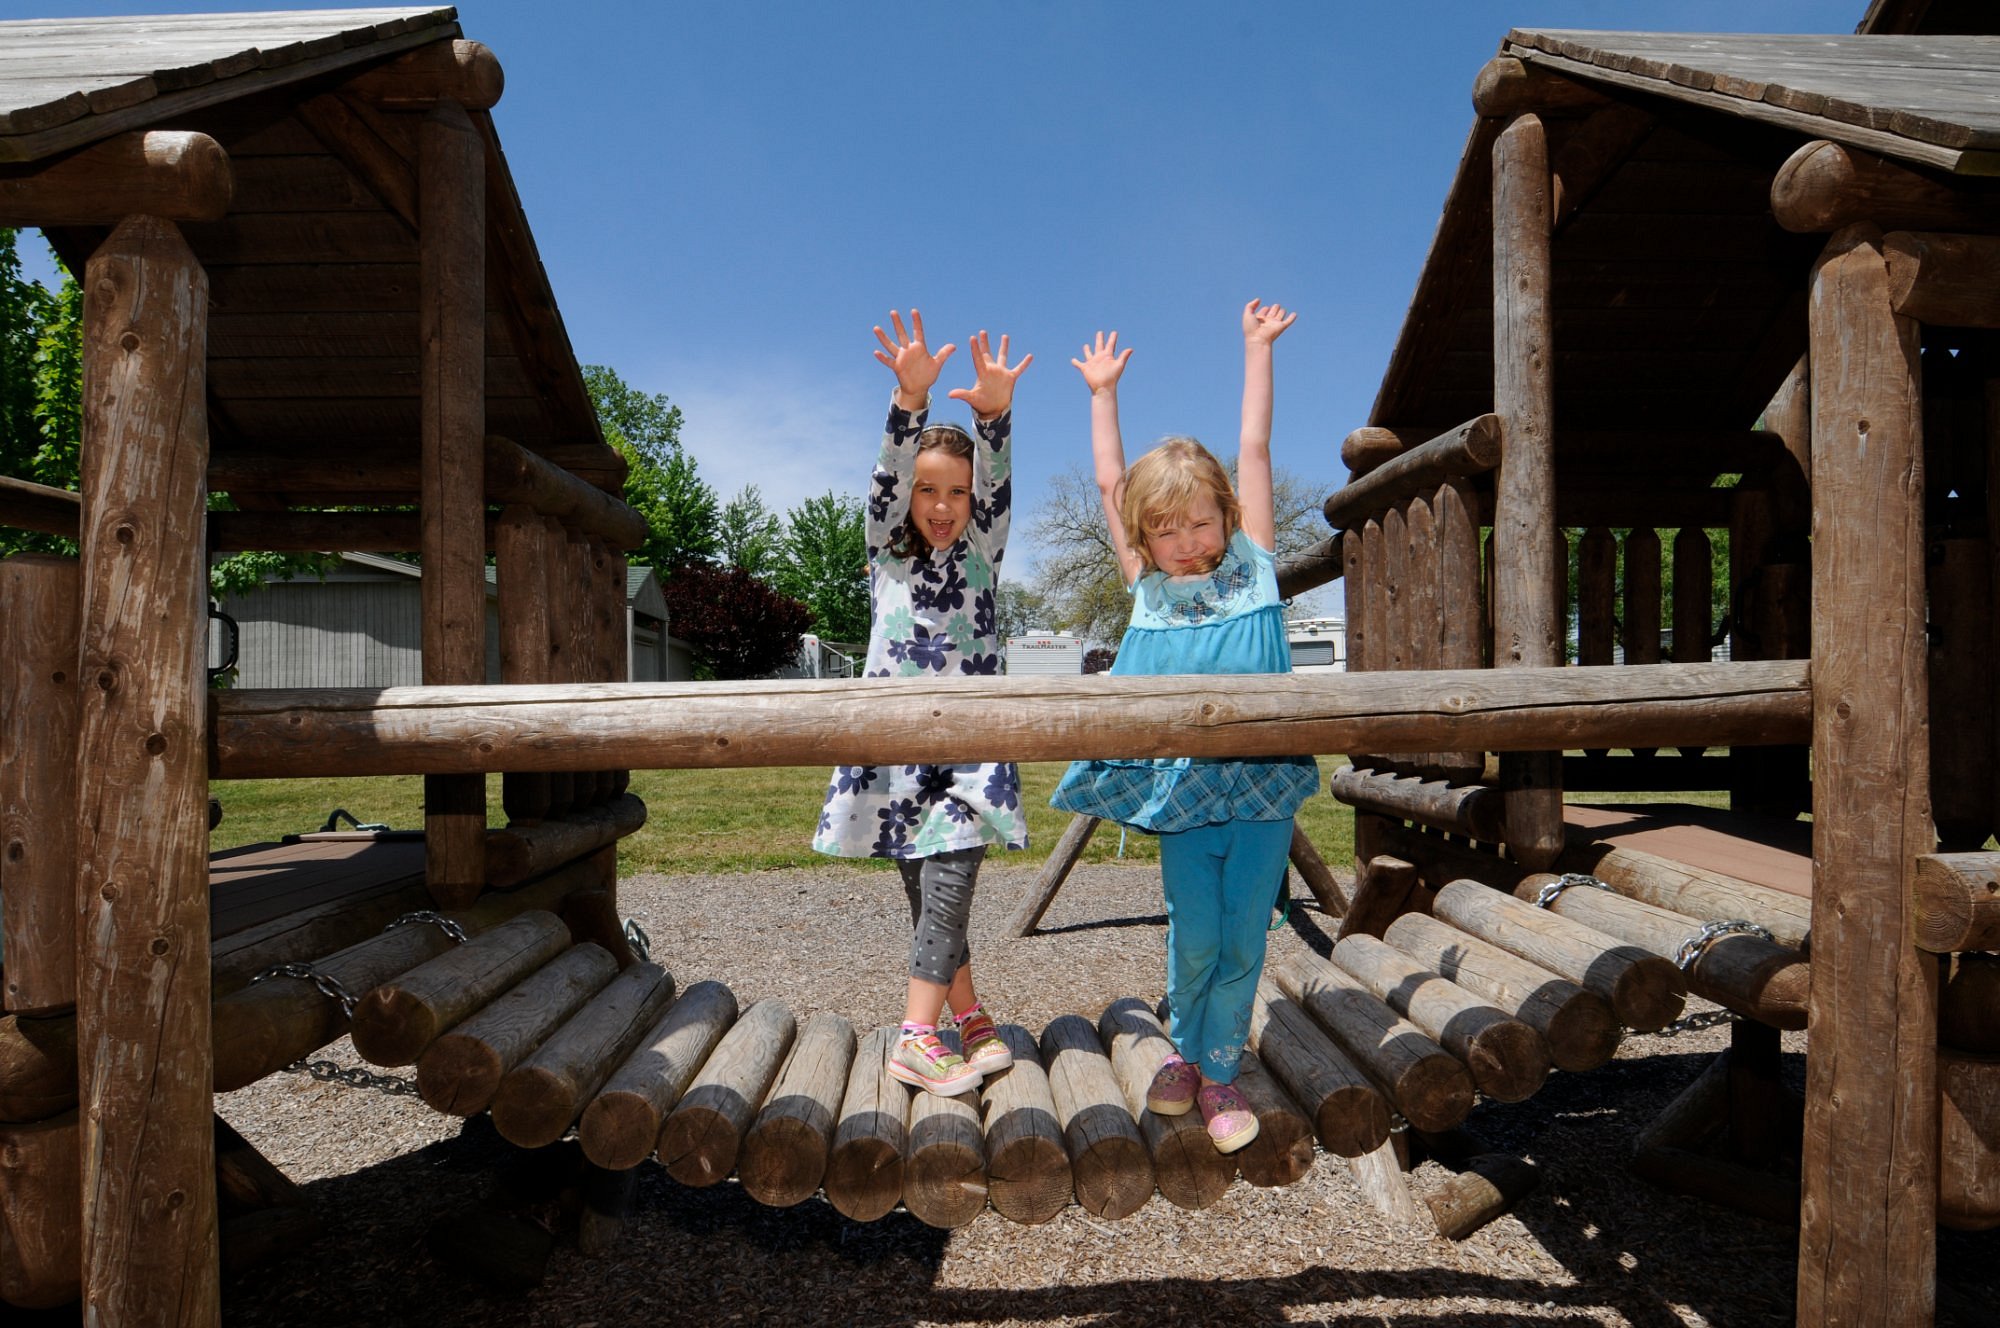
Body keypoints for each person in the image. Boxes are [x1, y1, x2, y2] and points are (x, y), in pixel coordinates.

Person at [1051, 299, 1318, 1152]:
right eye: (1166, 531)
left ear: (1228, 516)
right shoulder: (1148, 590)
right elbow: (1107, 482)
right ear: (1145, 539)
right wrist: (1102, 395)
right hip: (1184, 792)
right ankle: (1181, 1053)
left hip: (1262, 788)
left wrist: (1255, 349)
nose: (1188, 542)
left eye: (1202, 521)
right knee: (1194, 932)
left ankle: (1218, 1069)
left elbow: (1254, 448)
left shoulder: (1256, 570)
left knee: (1245, 932)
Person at [813, 309, 1032, 1097]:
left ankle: (919, 1034)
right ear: (906, 494)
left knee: (950, 889)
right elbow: (886, 478)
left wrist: (994, 418)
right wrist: (910, 404)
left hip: (969, 746)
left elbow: (999, 479)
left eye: (959, 493)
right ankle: (961, 1021)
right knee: (928, 894)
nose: (943, 505)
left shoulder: (982, 549)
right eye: (927, 489)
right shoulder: (886, 553)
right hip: (898, 744)